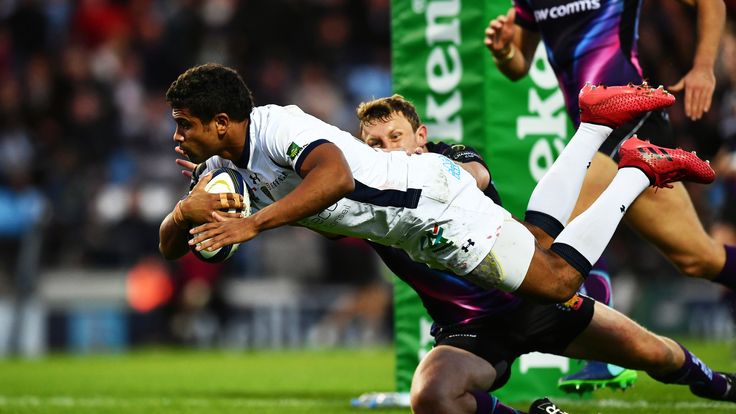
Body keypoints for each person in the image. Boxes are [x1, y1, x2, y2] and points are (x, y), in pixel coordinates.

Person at [161, 62, 712, 310]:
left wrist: (253, 223)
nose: (177, 135)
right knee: (540, 246)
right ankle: (593, 124)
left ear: (221, 123)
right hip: (415, 223)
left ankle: (636, 169)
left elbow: (336, 178)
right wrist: (188, 213)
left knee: (559, 280)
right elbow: (183, 247)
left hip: (428, 204)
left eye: (185, 122)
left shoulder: (278, 125)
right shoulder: (230, 176)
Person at [484, 0, 732, 389]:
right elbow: (519, 66)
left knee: (549, 241)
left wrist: (703, 67)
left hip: (634, 119)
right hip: (594, 134)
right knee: (699, 258)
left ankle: (607, 355)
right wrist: (504, 51)